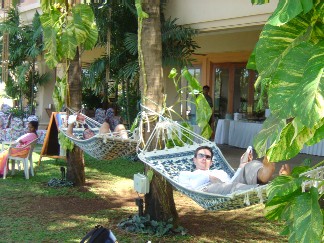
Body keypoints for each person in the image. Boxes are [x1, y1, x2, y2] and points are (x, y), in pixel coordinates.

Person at [178, 145, 290, 195]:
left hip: (230, 186)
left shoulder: (219, 172)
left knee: (250, 166)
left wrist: (242, 164)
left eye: (208, 157)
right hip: (206, 191)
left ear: (211, 162)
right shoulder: (186, 174)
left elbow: (234, 180)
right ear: (194, 160)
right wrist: (208, 177)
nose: (204, 158)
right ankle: (272, 186)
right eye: (201, 155)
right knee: (232, 187)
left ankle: (266, 171)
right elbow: (186, 189)